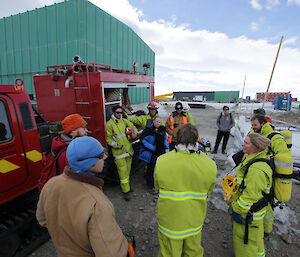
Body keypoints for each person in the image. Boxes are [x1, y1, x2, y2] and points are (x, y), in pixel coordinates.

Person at [36, 136, 134, 257]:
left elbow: (42, 219)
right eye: (99, 156)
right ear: (87, 162)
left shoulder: (51, 184)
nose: (105, 157)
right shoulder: (97, 204)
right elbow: (111, 253)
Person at [154, 123, 217, 257]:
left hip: (169, 221)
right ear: (196, 139)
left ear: (176, 139)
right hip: (194, 220)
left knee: (168, 253)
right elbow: (209, 190)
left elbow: (157, 186)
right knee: (193, 252)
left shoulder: (162, 161)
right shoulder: (209, 164)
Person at [230, 133, 272, 257]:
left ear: (257, 147)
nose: (243, 144)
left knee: (245, 246)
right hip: (254, 214)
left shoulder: (256, 170)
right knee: (256, 241)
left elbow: (250, 196)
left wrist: (236, 208)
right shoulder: (253, 158)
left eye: (247, 143)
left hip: (247, 214)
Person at [251, 114, 291, 235]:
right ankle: (260, 225)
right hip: (263, 174)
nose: (253, 127)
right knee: (261, 201)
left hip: (271, 177)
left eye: (255, 125)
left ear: (263, 124)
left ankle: (266, 230)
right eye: (252, 125)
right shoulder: (261, 135)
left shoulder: (274, 137)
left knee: (267, 204)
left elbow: (283, 155)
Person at [106, 105, 138, 201]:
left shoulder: (124, 121)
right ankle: (126, 192)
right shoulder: (109, 124)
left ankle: (127, 187)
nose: (120, 114)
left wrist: (134, 133)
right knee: (123, 173)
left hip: (129, 151)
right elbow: (108, 138)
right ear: (113, 113)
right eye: (118, 113)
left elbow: (132, 126)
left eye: (121, 112)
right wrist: (116, 145)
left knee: (127, 171)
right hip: (119, 153)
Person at [139, 116, 169, 194]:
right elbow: (143, 141)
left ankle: (158, 183)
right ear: (153, 121)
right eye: (156, 121)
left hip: (160, 152)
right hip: (152, 153)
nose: (158, 123)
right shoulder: (148, 130)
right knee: (151, 169)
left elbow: (165, 139)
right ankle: (150, 185)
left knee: (159, 169)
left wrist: (166, 145)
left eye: (159, 122)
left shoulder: (162, 130)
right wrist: (152, 148)